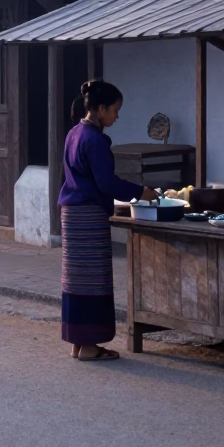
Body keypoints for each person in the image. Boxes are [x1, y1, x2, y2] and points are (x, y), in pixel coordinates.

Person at [59, 79, 158, 361]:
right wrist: (141, 192)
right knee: (94, 280)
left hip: (71, 213)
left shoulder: (74, 133)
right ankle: (89, 347)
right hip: (89, 215)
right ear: (100, 109)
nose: (117, 116)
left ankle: (78, 343)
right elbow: (106, 183)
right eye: (115, 110)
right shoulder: (96, 139)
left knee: (76, 281)